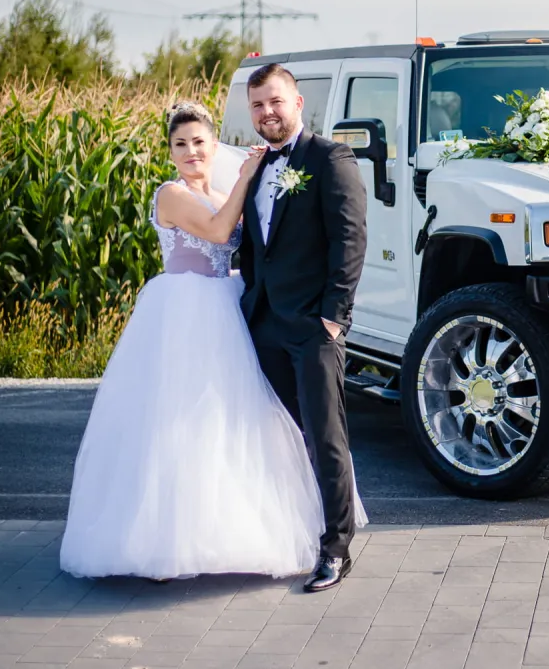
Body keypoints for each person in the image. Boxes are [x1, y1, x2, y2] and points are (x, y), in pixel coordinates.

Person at [60, 100, 367, 582]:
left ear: (212, 143)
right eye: (180, 144)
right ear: (169, 151)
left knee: (235, 422)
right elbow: (221, 228)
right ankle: (169, 537)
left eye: (199, 141)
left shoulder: (221, 185)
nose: (191, 152)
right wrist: (250, 173)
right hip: (184, 311)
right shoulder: (171, 194)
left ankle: (241, 528)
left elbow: (254, 245)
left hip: (229, 305)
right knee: (183, 422)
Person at [239, 63, 369, 592]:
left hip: (314, 328)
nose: (267, 113)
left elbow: (350, 239)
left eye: (275, 101)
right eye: (257, 105)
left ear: (297, 102)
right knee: (280, 437)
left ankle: (336, 549)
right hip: (264, 322)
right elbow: (252, 243)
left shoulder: (329, 157)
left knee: (325, 437)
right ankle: (288, 536)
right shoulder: (252, 166)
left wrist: (334, 318)